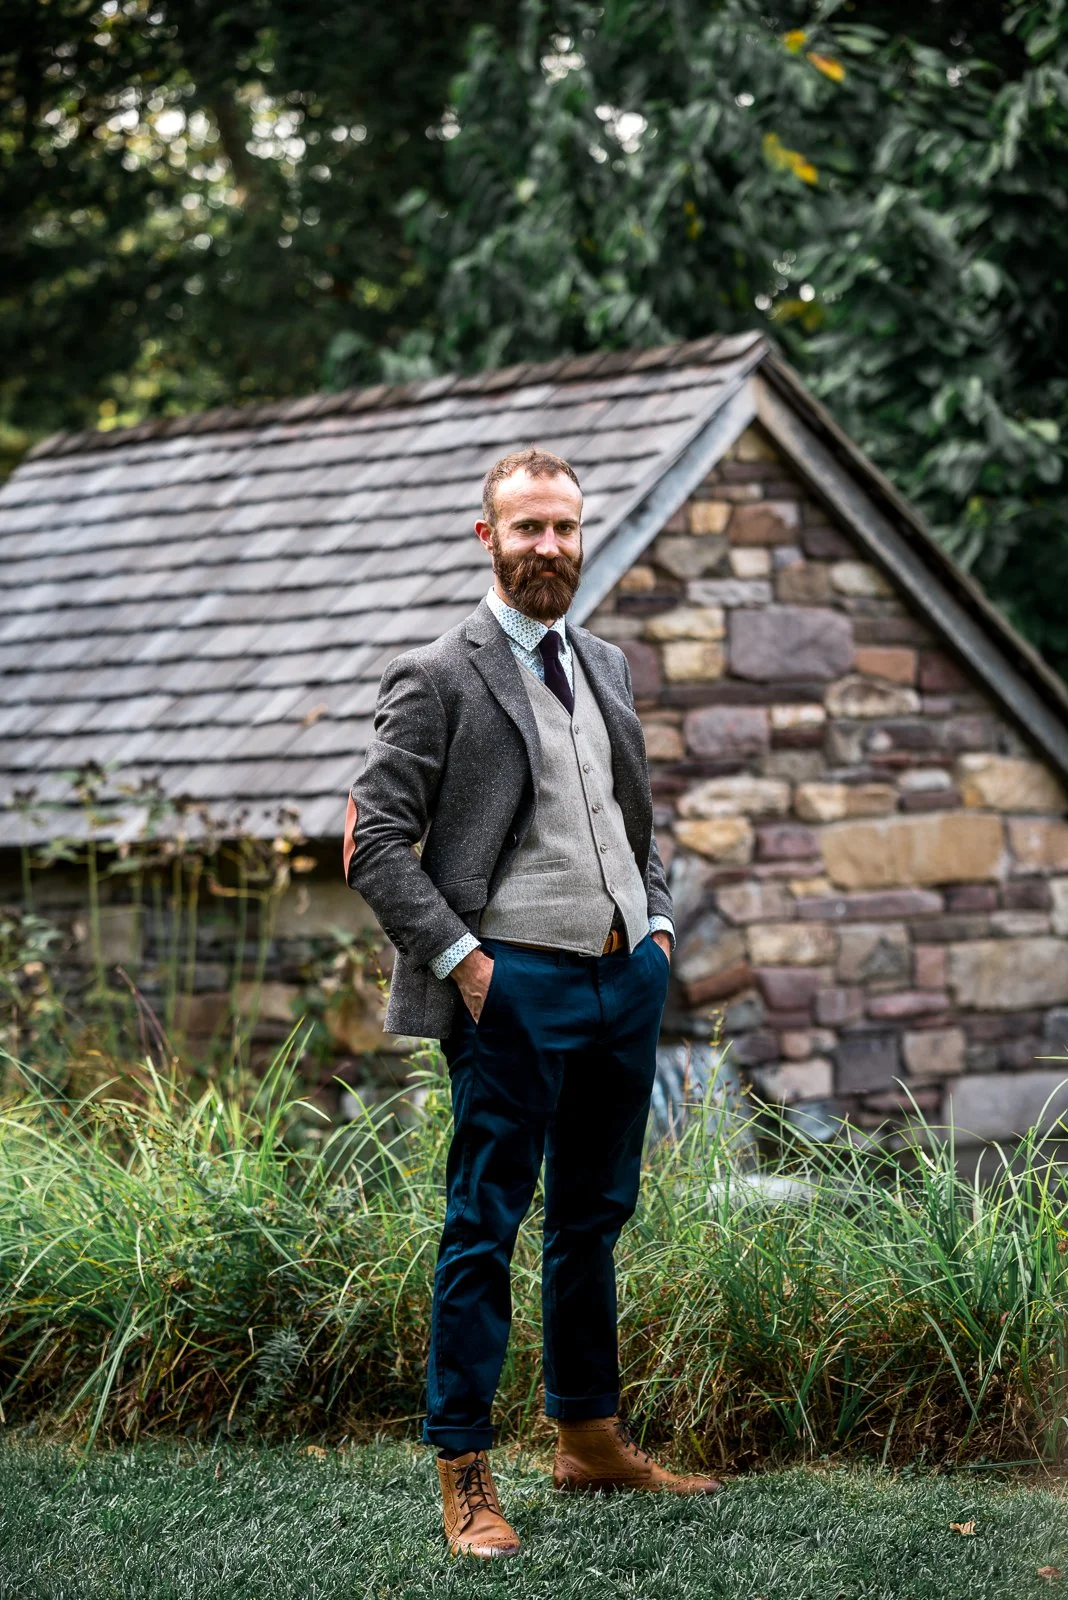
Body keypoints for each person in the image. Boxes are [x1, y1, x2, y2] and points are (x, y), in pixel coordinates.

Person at [345, 446, 722, 1559]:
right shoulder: (440, 672)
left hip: (624, 981)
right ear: (488, 537)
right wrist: (467, 962)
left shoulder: (602, 658)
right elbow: (371, 842)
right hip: (514, 984)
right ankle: (465, 1472)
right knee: (484, 1226)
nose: (550, 546)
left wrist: (653, 926)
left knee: (594, 1218)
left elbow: (631, 816)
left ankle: (589, 1436)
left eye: (564, 527)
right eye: (528, 529)